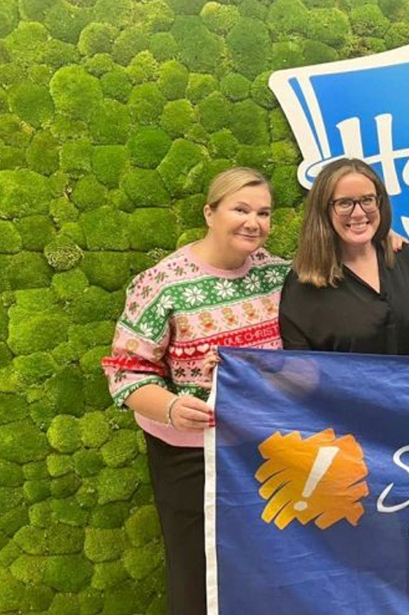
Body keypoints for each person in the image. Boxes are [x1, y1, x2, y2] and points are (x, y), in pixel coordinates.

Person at [101, 167, 288, 615]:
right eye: (240, 209)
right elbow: (125, 371)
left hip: (264, 448)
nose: (253, 222)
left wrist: (385, 248)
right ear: (210, 212)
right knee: (197, 572)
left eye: (263, 213)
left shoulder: (279, 275)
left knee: (271, 566)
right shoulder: (162, 283)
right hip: (190, 455)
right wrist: (170, 407)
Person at [279, 158, 409, 354]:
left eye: (367, 200)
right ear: (323, 210)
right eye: (344, 203)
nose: (359, 213)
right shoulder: (302, 286)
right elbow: (302, 372)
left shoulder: (404, 258)